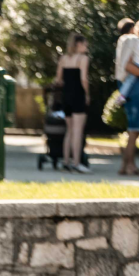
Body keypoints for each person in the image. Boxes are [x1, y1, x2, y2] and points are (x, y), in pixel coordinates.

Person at [54, 33, 91, 173]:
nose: (86, 47)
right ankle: (76, 163)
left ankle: (66, 161)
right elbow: (83, 79)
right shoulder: (83, 58)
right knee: (77, 131)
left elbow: (58, 79)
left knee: (69, 130)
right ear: (78, 44)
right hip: (78, 96)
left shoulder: (63, 58)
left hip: (66, 97)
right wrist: (87, 94)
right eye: (85, 44)